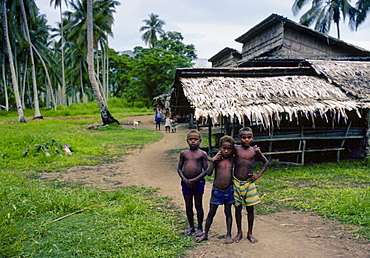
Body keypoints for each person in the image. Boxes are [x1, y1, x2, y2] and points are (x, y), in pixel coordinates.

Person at [233, 127, 269, 243]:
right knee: (237, 209)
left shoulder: (254, 151)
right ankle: (239, 232)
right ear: (239, 138)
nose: (246, 139)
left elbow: (266, 162)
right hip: (236, 183)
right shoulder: (235, 149)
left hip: (249, 184)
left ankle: (250, 233)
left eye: (249, 137)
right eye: (244, 137)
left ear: (252, 138)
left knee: (250, 209)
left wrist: (258, 175)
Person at [197, 135, 235, 244]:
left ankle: (228, 234)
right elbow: (208, 173)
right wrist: (213, 161)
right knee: (211, 213)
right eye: (224, 148)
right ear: (220, 148)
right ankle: (205, 234)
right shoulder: (216, 160)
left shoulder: (232, 159)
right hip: (217, 191)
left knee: (228, 212)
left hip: (229, 190)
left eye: (229, 149)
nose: (226, 151)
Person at [177, 129, 208, 237]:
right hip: (186, 183)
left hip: (198, 183)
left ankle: (199, 227)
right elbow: (179, 169)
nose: (193, 141)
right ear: (187, 141)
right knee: (188, 205)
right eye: (191, 139)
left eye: (195, 139)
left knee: (198, 204)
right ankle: (191, 226)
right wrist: (185, 179)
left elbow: (206, 170)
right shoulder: (184, 153)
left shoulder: (202, 154)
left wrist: (195, 180)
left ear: (200, 140)